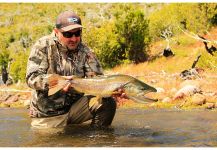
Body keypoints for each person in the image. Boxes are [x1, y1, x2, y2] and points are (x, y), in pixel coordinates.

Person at [26, 11, 117, 129]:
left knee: (107, 102)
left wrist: (113, 89)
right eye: (68, 34)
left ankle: (98, 141)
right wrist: (56, 81)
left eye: (77, 33)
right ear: (56, 32)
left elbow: (97, 81)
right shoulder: (43, 46)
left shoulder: (86, 52)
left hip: (75, 110)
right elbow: (31, 78)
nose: (74, 39)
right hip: (47, 115)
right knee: (49, 143)